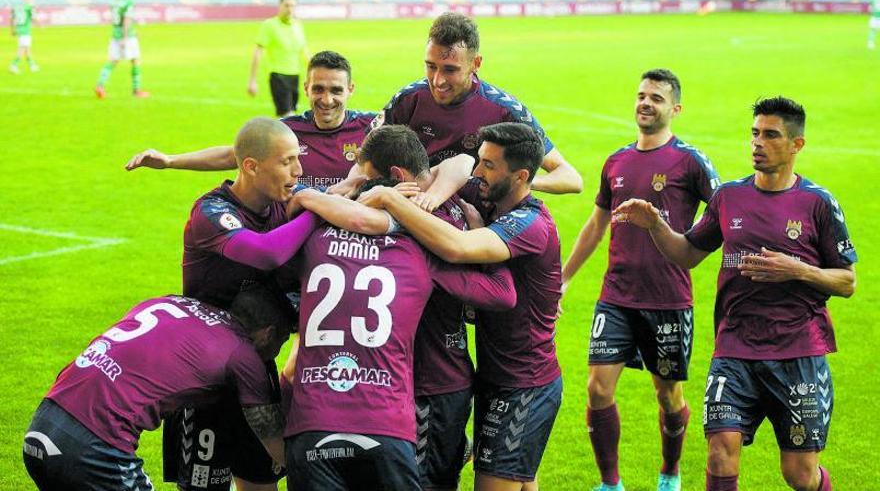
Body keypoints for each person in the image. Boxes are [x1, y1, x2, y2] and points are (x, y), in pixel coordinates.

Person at [613, 96, 857, 491]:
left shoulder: (818, 203)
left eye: (771, 135)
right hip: (734, 350)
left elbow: (847, 282)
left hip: (796, 352)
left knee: (799, 475)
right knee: (719, 450)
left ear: (797, 145)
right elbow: (689, 253)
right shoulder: (729, 197)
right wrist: (656, 224)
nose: (758, 143)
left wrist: (797, 270)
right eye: (755, 134)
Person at [359, 122, 563, 491]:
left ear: (519, 176)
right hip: (494, 374)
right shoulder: (490, 196)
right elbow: (454, 165)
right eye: (481, 161)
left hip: (524, 382)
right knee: (520, 477)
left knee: (496, 482)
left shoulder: (530, 223)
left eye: (488, 165)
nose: (477, 172)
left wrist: (390, 201)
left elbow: (457, 249)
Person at [285, 175, 517, 491]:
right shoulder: (418, 253)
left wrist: (315, 196)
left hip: (313, 423)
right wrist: (478, 232)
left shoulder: (315, 241)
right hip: (385, 424)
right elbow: (501, 295)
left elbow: (272, 244)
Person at [560, 69, 720, 491]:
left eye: (656, 98)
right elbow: (596, 225)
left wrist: (690, 244)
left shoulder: (690, 161)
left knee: (668, 395)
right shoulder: (616, 161)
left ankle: (669, 472)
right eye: (641, 95)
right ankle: (610, 483)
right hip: (616, 296)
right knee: (597, 388)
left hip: (668, 298)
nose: (646, 103)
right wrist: (564, 278)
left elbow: (721, 212)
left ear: (675, 109)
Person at [166, 117, 321, 491]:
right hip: (206, 381)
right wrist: (318, 210)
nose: (298, 171)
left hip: (257, 368)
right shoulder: (211, 213)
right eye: (287, 162)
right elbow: (266, 253)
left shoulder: (280, 209)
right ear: (250, 166)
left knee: (261, 480)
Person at [22, 285, 295, 490]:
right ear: (267, 333)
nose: (274, 353)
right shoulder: (243, 355)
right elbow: (274, 445)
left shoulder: (168, 302)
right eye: (281, 342)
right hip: (94, 450)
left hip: (42, 425)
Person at [371, 12, 583, 195]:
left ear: (476, 63)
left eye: (450, 69)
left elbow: (570, 178)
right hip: (416, 209)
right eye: (431, 66)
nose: (437, 81)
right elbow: (366, 159)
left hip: (476, 223)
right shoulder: (409, 99)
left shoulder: (505, 111)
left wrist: (514, 182)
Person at [126, 51, 371, 188]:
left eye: (336, 90)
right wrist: (170, 161)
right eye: (318, 89)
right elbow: (234, 155)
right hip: (298, 238)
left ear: (350, 89)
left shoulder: (371, 129)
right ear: (306, 88)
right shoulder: (287, 131)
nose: (327, 100)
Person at [249, 0, 310, 117]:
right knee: (288, 116)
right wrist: (253, 80)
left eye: (292, 6)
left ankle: (280, 135)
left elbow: (305, 53)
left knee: (290, 116)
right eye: (286, 5)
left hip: (295, 76)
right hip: (278, 76)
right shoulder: (269, 25)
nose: (289, 9)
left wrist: (314, 75)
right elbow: (258, 52)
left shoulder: (297, 26)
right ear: (280, 6)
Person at [94, 0, 148, 98]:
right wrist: (125, 37)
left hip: (115, 34)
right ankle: (136, 91)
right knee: (135, 60)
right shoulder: (128, 2)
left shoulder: (114, 1)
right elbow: (126, 20)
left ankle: (100, 85)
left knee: (112, 61)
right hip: (126, 36)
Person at [8, 0, 38, 74]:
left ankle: (32, 65)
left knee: (27, 48)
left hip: (19, 30)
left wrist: (12, 30)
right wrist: (40, 25)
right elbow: (33, 18)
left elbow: (11, 18)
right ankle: (14, 65)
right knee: (22, 48)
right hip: (26, 30)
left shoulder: (16, 7)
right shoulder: (29, 7)